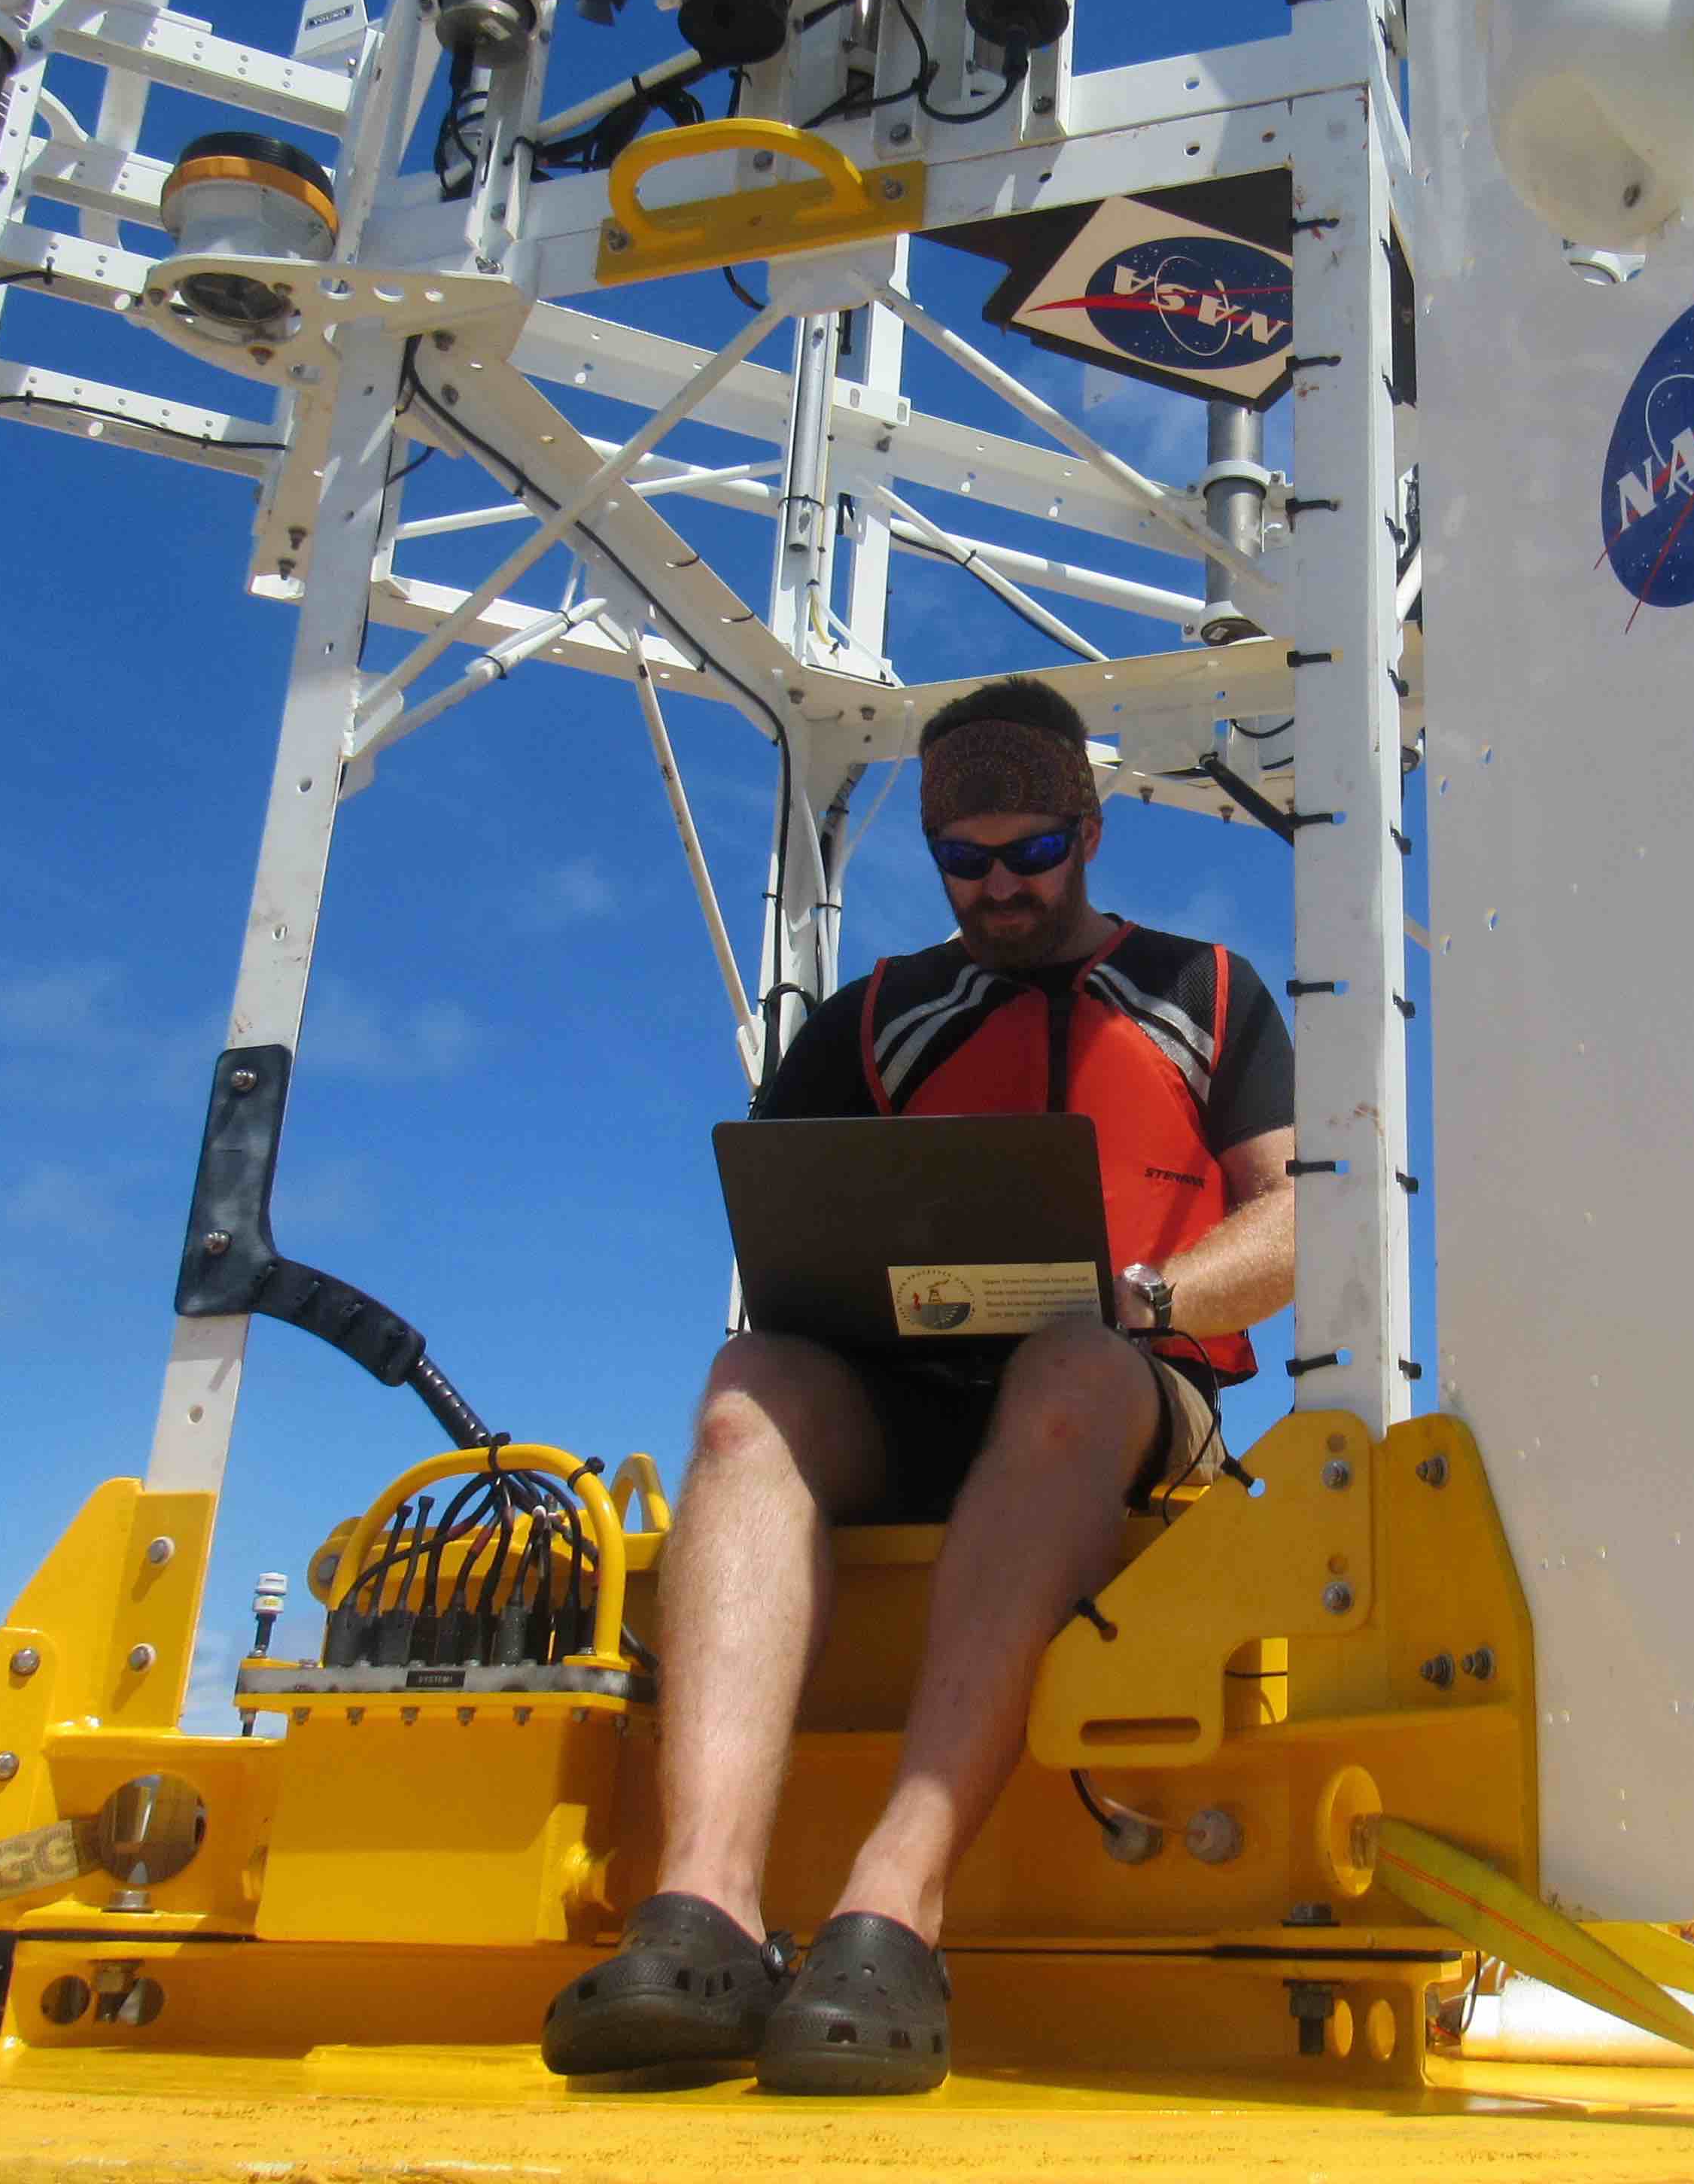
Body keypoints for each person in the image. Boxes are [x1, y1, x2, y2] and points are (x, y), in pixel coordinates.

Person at [540, 677, 1298, 2093]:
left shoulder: (1208, 991)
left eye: (1031, 856)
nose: (999, 890)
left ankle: (896, 1903)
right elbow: (783, 1223)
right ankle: (702, 1914)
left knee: (1073, 1367)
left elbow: (1298, 1219)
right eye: (965, 861)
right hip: (912, 1390)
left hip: (1125, 1384)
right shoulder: (878, 1016)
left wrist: (1145, 1297)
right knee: (748, 1382)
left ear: (1089, 831)